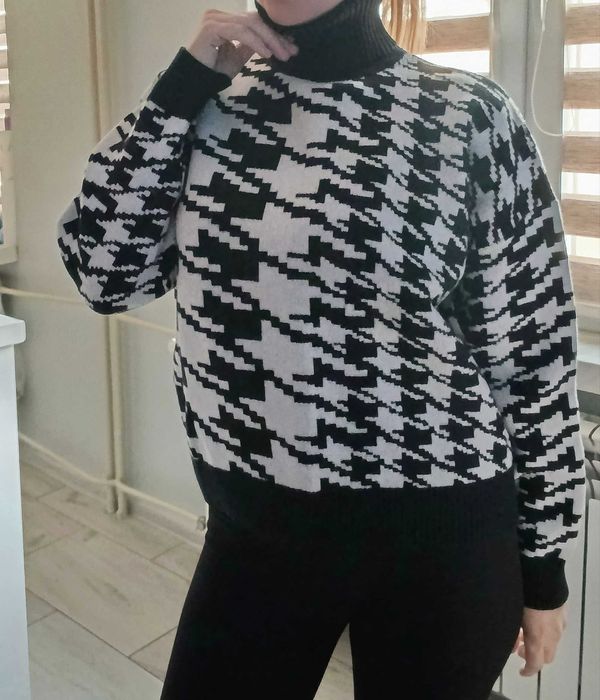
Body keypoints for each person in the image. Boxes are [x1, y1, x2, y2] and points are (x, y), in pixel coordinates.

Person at [56, 1, 587, 698]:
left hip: (444, 537)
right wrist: (182, 84)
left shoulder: (467, 115)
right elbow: (102, 274)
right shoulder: (205, 105)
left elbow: (533, 355)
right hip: (255, 533)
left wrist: (544, 569)